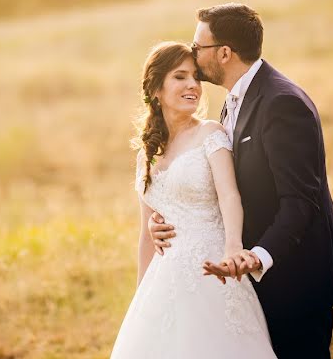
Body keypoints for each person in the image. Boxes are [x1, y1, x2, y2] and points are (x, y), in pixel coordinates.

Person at [149, 3, 333, 357]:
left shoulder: (281, 103)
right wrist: (170, 218)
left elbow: (301, 202)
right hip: (249, 278)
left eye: (198, 47)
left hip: (294, 276)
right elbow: (228, 183)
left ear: (225, 53)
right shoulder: (234, 100)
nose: (194, 54)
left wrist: (258, 256)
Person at [110, 41, 276, 358]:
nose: (192, 86)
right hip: (165, 277)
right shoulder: (146, 154)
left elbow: (230, 196)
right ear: (155, 89)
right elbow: (146, 234)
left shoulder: (210, 134)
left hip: (212, 269)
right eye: (180, 77)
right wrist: (141, 295)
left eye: (195, 78)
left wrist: (232, 248)